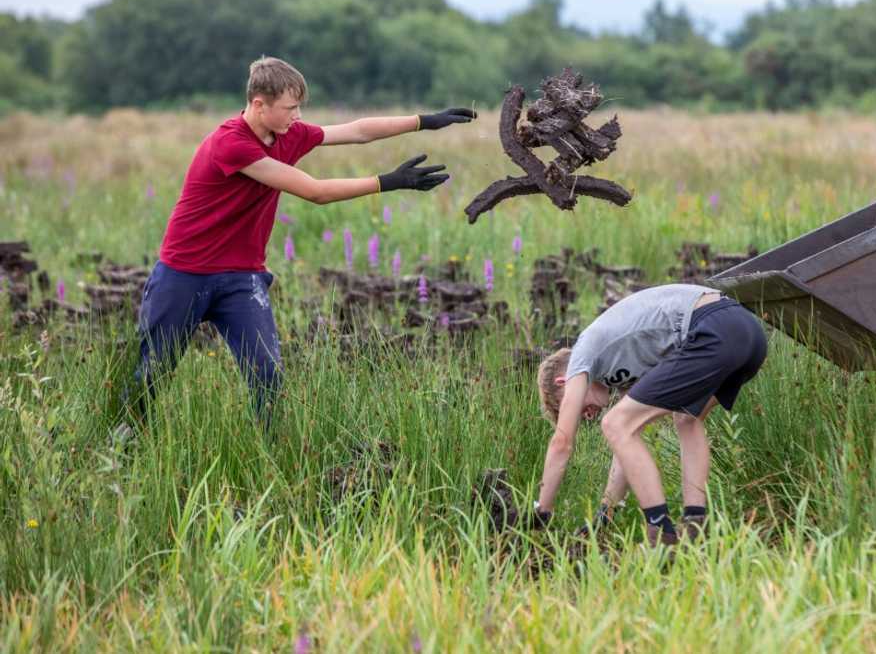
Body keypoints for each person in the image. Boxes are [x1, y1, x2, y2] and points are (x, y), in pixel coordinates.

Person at [118, 56, 475, 437]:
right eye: (290, 108)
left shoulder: (289, 134)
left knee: (267, 375)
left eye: (299, 107)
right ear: (259, 104)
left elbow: (356, 130)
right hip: (184, 275)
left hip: (242, 278)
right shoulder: (231, 144)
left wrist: (424, 121)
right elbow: (315, 192)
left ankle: (266, 450)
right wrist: (388, 181)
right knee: (153, 372)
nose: (297, 115)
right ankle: (122, 444)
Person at [533, 284, 768, 546]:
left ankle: (661, 533)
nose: (586, 416)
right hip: (749, 335)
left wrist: (541, 510)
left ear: (563, 382)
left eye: (573, 408)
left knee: (615, 423)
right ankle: (695, 528)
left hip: (715, 326)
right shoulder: (619, 368)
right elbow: (626, 447)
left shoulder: (581, 355)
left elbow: (561, 443)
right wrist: (605, 513)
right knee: (686, 418)